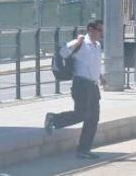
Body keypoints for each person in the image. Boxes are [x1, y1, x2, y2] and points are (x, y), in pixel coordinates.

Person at [45, 21, 105, 159]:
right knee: (82, 114)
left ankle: (83, 150)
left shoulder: (97, 45)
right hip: (81, 85)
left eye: (102, 31)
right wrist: (77, 42)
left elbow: (92, 64)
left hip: (93, 85)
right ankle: (54, 119)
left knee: (93, 118)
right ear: (90, 30)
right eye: (99, 30)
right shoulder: (81, 42)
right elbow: (62, 52)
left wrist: (101, 77)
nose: (101, 33)